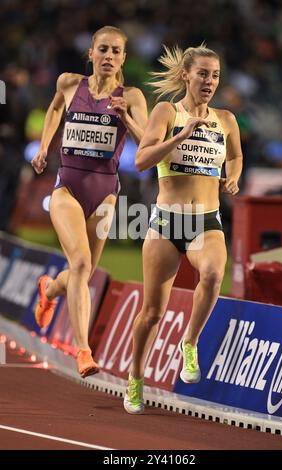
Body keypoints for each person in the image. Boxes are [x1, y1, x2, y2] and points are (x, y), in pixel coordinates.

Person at [124, 44, 243, 414]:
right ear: (187, 76)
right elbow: (142, 159)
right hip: (165, 222)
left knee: (211, 274)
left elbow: (236, 155)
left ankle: (189, 342)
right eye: (203, 74)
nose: (210, 81)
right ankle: (135, 377)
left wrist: (233, 177)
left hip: (206, 221)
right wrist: (181, 135)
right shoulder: (167, 111)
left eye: (216, 75)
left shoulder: (226, 119)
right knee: (152, 313)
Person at [31, 26, 148, 378]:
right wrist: (43, 146)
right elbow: (53, 110)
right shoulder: (69, 84)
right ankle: (83, 351)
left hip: (105, 193)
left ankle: (49, 289)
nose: (109, 56)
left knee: (85, 271)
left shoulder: (133, 96)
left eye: (116, 51)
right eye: (103, 49)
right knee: (81, 264)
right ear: (91, 54)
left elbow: (148, 147)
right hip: (67, 186)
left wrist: (126, 116)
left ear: (123, 58)